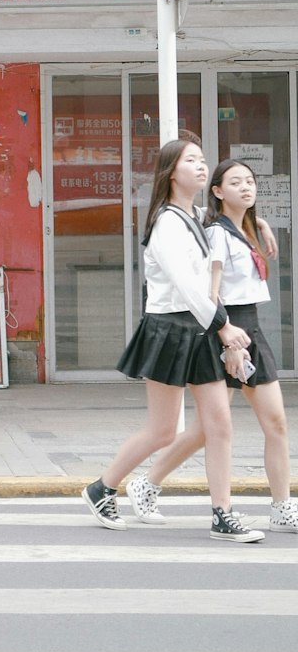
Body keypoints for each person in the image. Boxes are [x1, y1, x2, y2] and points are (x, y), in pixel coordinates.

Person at [81, 135, 264, 543]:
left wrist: (260, 222)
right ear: (171, 171)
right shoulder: (167, 222)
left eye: (203, 160)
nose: (202, 166)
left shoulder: (197, 215)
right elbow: (186, 286)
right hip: (170, 329)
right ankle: (102, 487)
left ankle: (222, 514)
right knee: (163, 431)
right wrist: (225, 329)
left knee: (219, 423)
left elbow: (224, 237)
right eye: (192, 161)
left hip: (200, 328)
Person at [127, 157, 298, 532]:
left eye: (250, 181)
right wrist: (229, 339)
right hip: (231, 330)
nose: (247, 188)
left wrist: (262, 223)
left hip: (251, 329)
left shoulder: (243, 227)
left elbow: (236, 220)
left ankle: (282, 506)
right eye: (236, 182)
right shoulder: (218, 233)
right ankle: (148, 482)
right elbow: (212, 289)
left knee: (275, 422)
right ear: (218, 192)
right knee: (209, 429)